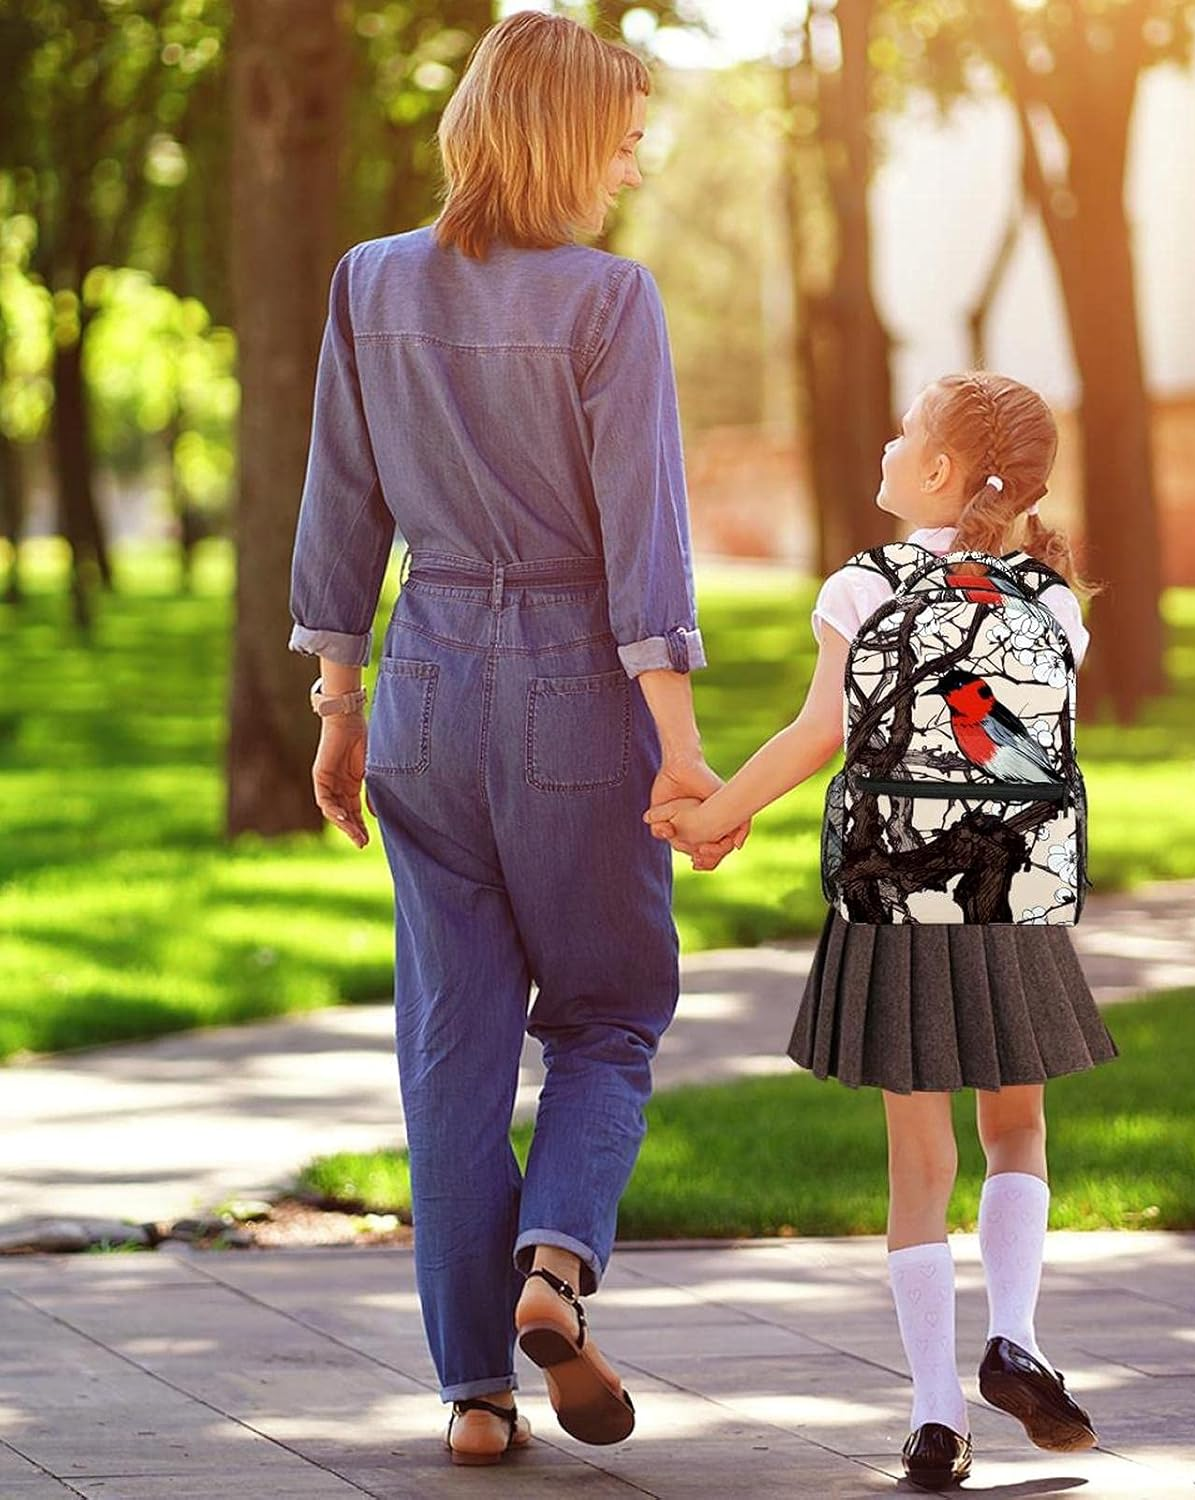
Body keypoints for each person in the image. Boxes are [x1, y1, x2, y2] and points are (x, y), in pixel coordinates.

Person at [286, 12, 745, 1467]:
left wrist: (339, 705)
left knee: (454, 1045)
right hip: (572, 689)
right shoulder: (612, 301)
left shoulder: (369, 283)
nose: (630, 157)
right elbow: (643, 548)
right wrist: (680, 749)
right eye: (618, 132)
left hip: (422, 682)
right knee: (610, 1013)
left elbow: (340, 507)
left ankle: (474, 1394)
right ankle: (556, 1268)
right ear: (559, 135)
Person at [647, 372, 1118, 1491]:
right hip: (1018, 901)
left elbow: (820, 730)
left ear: (942, 472)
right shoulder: (1054, 601)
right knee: (1018, 1132)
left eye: (905, 432)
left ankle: (935, 1416)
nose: (889, 444)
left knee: (920, 1162)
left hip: (895, 896)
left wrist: (716, 816)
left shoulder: (863, 585)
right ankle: (1018, 1335)